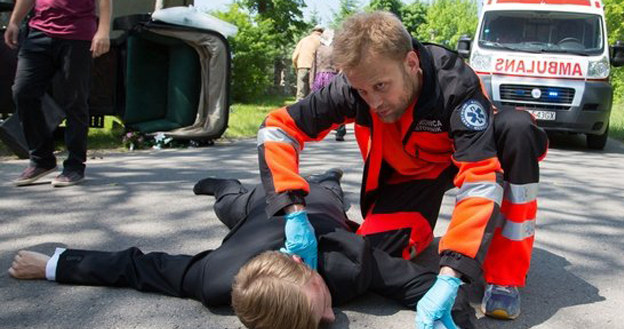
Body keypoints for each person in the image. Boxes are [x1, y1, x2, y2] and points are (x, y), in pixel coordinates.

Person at [257, 11, 549, 325]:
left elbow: (479, 180)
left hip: (473, 154)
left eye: (381, 86)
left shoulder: (453, 83)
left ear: (411, 63)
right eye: (363, 92)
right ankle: (419, 233)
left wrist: (452, 273)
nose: (372, 102)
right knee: (361, 261)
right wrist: (292, 209)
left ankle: (505, 275)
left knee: (517, 128)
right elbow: (278, 129)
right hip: (413, 174)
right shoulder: (352, 86)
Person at [8, 171, 477, 329]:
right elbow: (138, 266)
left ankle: (321, 176)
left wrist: (455, 310)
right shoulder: (214, 280)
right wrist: (53, 262)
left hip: (308, 202)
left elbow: (427, 284)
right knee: (236, 207)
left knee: (310, 190)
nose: (333, 318)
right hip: (253, 222)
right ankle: (229, 189)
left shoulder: (345, 259)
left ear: (306, 267)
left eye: (320, 307)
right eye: (321, 318)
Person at [5, 0, 112, 187]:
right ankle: (41, 160)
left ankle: (74, 166)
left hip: (77, 34)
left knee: (75, 101)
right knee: (23, 92)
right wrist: (14, 21)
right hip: (38, 32)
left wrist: (103, 31)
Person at [310, 28, 346, 142]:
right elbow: (341, 67)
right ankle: (340, 131)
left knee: (318, 104)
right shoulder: (336, 50)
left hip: (319, 77)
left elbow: (313, 67)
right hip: (332, 77)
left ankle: (317, 128)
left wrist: (311, 81)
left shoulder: (318, 49)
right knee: (337, 105)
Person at [292, 25, 323, 100]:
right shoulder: (322, 41)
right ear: (321, 32)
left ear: (312, 31)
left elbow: (294, 57)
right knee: (313, 94)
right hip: (315, 69)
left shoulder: (303, 40)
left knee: (301, 94)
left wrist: (297, 69)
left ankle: (298, 110)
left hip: (302, 67)